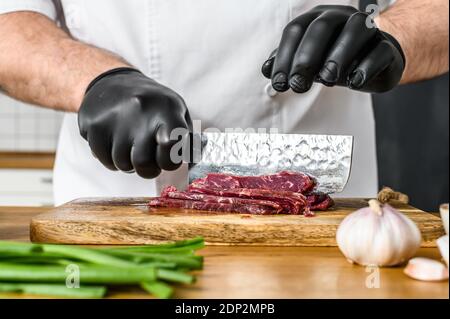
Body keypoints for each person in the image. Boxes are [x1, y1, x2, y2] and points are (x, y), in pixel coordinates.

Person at [0, 1, 448, 205]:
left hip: (322, 225)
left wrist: (392, 36)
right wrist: (97, 81)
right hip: (115, 213)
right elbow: (9, 26)